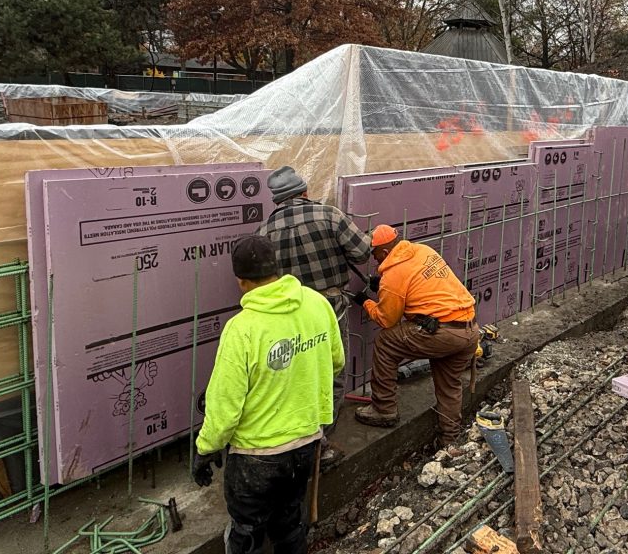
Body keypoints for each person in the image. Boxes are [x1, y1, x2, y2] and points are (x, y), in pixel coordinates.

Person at [192, 234, 343, 554]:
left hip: (256, 458)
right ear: (277, 269)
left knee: (246, 533)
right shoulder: (317, 304)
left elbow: (225, 407)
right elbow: (337, 361)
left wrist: (206, 449)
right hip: (306, 444)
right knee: (289, 525)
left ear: (241, 281)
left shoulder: (242, 328)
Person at [256, 166, 372, 460]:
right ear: (305, 192)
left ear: (277, 200)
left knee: (299, 375)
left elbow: (262, 282)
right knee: (332, 371)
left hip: (288, 316)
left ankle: (299, 435)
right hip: (329, 308)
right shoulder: (329, 214)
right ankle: (321, 439)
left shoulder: (264, 232)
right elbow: (362, 251)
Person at [351, 225, 480, 447]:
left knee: (385, 342)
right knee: (449, 386)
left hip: (442, 333)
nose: (373, 260)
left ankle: (384, 409)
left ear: (382, 252)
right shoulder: (423, 251)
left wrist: (366, 302)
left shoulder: (393, 274)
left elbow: (386, 320)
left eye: (373, 255)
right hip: (468, 329)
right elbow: (419, 286)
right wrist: (383, 286)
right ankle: (449, 441)